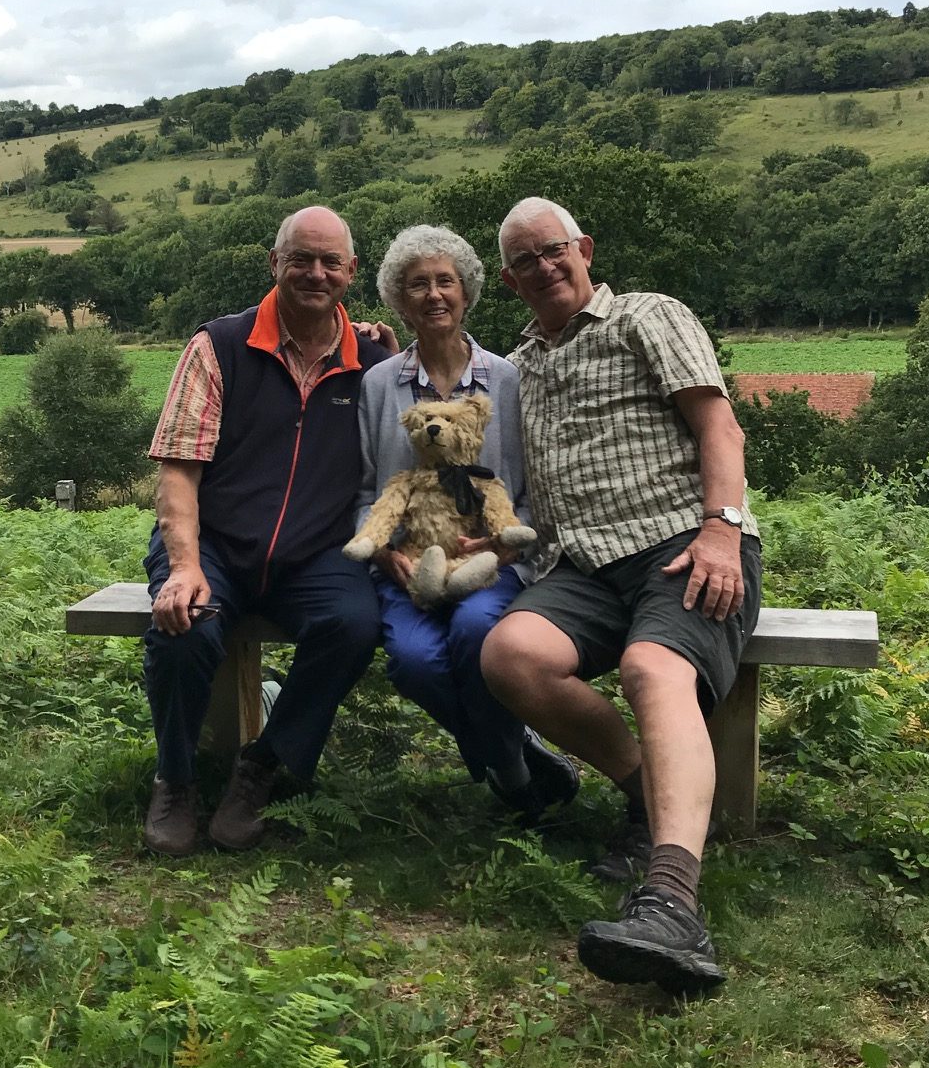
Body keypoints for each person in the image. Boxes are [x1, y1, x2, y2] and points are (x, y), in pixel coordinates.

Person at [480, 197, 762, 994]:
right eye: (525, 260)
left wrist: (721, 530)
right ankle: (649, 794)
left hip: (683, 542)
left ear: (584, 248)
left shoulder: (646, 316)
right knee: (511, 655)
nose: (543, 266)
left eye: (554, 249)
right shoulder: (521, 363)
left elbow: (720, 428)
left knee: (651, 669)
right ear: (509, 279)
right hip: (580, 566)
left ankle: (672, 899)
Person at [141, 206, 397, 857]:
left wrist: (392, 360)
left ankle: (261, 769)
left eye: (330, 262)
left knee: (354, 626)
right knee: (184, 626)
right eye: (301, 259)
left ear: (351, 272)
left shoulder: (372, 362)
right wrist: (185, 566)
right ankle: (175, 778)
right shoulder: (220, 345)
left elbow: (420, 424)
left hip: (315, 554)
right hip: (215, 544)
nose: (315, 273)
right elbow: (177, 467)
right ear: (274, 263)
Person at [355, 226, 579, 811]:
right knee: (411, 662)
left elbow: (532, 487)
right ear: (398, 300)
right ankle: (513, 755)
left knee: (478, 632)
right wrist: (383, 550)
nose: (433, 295)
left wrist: (507, 544)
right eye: (417, 284)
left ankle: (510, 777)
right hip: (410, 566)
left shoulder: (508, 379)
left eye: (445, 282)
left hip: (492, 564)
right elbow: (363, 489)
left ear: (466, 292)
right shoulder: (378, 385)